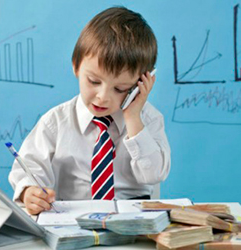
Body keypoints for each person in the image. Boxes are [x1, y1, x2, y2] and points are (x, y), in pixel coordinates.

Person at [9, 6, 170, 215]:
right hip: (72, 221)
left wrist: (133, 117)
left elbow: (154, 174)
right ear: (76, 66)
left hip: (131, 221)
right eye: (94, 81)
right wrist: (29, 192)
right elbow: (28, 168)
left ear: (140, 83)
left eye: (120, 89)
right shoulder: (56, 122)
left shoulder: (149, 119)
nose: (103, 96)